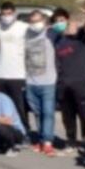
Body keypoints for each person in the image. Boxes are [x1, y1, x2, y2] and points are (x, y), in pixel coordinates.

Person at [52, 3, 85, 152]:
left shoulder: (80, 36)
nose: (60, 23)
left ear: (69, 21)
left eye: (62, 20)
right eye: (56, 21)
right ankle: (71, 141)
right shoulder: (57, 41)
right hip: (63, 84)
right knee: (67, 116)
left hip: (81, 83)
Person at [0, 1, 31, 130]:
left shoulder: (24, 27)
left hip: (18, 75)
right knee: (1, 105)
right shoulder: (0, 27)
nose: (7, 16)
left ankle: (24, 131)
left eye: (9, 13)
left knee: (20, 106)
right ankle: (4, 131)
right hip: (0, 74)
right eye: (4, 14)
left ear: (15, 13)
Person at [24, 9, 59, 157]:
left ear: (44, 21)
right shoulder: (26, 34)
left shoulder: (51, 33)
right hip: (30, 82)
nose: (35, 24)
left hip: (48, 82)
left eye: (38, 20)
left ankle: (48, 142)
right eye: (32, 21)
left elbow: (67, 29)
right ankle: (41, 139)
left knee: (48, 113)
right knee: (38, 114)